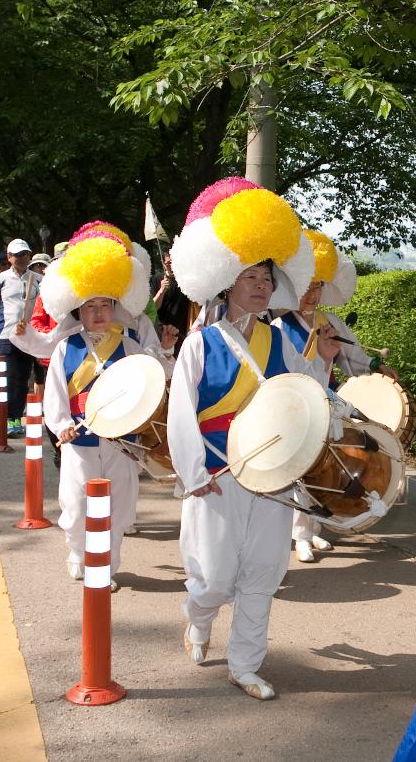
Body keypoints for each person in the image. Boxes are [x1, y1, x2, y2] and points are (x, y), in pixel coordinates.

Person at [166, 177, 340, 701]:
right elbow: (180, 414)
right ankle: (197, 618)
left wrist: (326, 366)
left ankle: (245, 665)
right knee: (215, 580)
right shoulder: (200, 343)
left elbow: (304, 394)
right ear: (226, 282)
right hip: (218, 476)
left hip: (271, 475)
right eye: (250, 276)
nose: (261, 284)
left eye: (266, 277)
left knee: (263, 574)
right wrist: (193, 476)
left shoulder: (279, 341)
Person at [33, 231, 173, 588]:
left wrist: (168, 350)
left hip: (122, 441)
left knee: (119, 506)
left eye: (105, 305)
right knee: (77, 505)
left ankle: (107, 566)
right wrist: (61, 425)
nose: (98, 313)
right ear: (78, 309)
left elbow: (158, 376)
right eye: (91, 306)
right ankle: (77, 551)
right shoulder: (66, 347)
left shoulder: (129, 345)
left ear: (116, 307)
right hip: (80, 441)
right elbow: (55, 395)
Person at [274, 228, 398, 563]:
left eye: (317, 286)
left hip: (326, 403)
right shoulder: (279, 328)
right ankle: (300, 535)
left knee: (325, 466)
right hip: (295, 406)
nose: (312, 294)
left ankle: (314, 529)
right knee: (303, 470)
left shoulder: (330, 321)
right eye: (306, 286)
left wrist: (375, 367)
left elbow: (353, 355)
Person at [0, 239, 40, 438]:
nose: (21, 259)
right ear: (9, 257)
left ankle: (14, 418)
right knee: (10, 379)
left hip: (31, 337)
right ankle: (9, 418)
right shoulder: (0, 279)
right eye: (16, 255)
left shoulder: (39, 279)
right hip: (7, 337)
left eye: (24, 254)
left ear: (30, 256)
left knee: (22, 380)